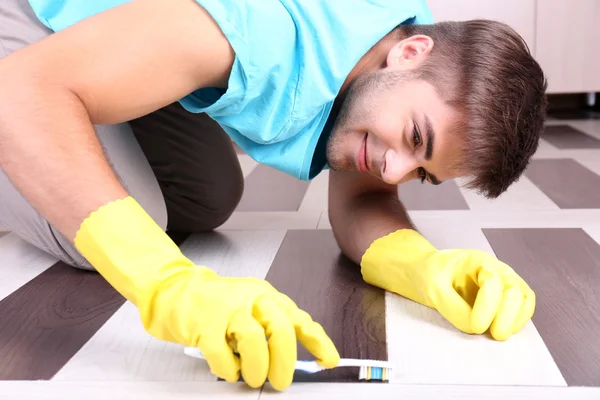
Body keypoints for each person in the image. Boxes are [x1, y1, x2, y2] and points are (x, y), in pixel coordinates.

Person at [0, 0, 546, 391]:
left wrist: (423, 265)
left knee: (204, 198)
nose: (392, 169)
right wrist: (170, 287)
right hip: (29, 27)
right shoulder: (262, 37)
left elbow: (361, 201)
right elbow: (22, 94)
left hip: (140, 24)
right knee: (103, 222)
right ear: (411, 54)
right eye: (415, 139)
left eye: (421, 172)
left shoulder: (405, 40)